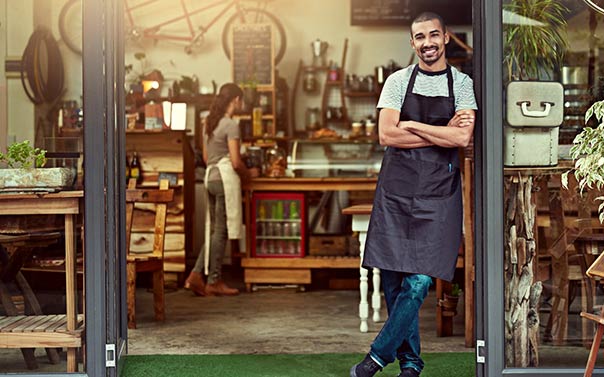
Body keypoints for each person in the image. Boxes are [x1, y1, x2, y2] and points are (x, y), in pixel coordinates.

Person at [350, 12, 477, 377]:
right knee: (392, 278)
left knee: (420, 279)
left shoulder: (462, 84)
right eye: (420, 37)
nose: (427, 42)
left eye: (433, 35)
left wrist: (415, 125)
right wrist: (441, 130)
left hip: (439, 196)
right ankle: (410, 362)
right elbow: (387, 136)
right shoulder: (397, 81)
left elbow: (462, 138)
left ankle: (376, 357)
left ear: (446, 37)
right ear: (412, 43)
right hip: (397, 191)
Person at [185, 83, 259, 296]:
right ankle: (213, 280)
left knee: (214, 230)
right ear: (235, 100)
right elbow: (235, 162)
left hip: (210, 177)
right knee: (221, 231)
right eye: (241, 100)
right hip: (224, 180)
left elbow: (208, 158)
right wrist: (249, 174)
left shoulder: (208, 122)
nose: (241, 104)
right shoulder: (230, 125)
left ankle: (196, 275)